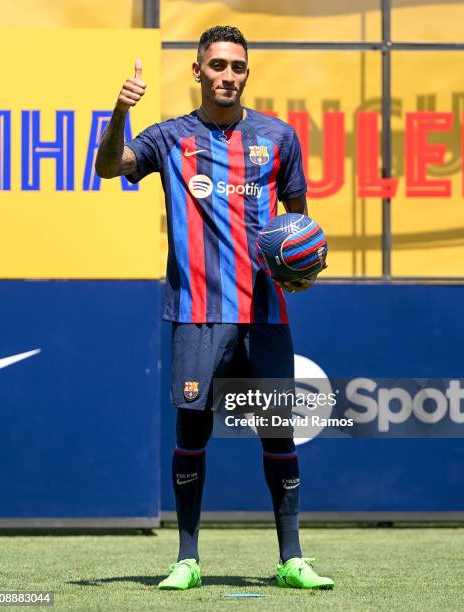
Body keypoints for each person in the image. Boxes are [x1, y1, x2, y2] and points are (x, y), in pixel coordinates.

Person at [96, 25, 333, 591]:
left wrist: (301, 271)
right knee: (192, 431)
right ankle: (187, 558)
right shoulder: (168, 138)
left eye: (238, 67)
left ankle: (292, 558)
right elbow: (109, 167)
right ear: (197, 72)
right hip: (197, 314)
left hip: (266, 315)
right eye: (218, 66)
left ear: (246, 73)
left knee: (278, 432)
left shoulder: (279, 137)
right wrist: (118, 111)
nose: (228, 75)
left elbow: (298, 224)